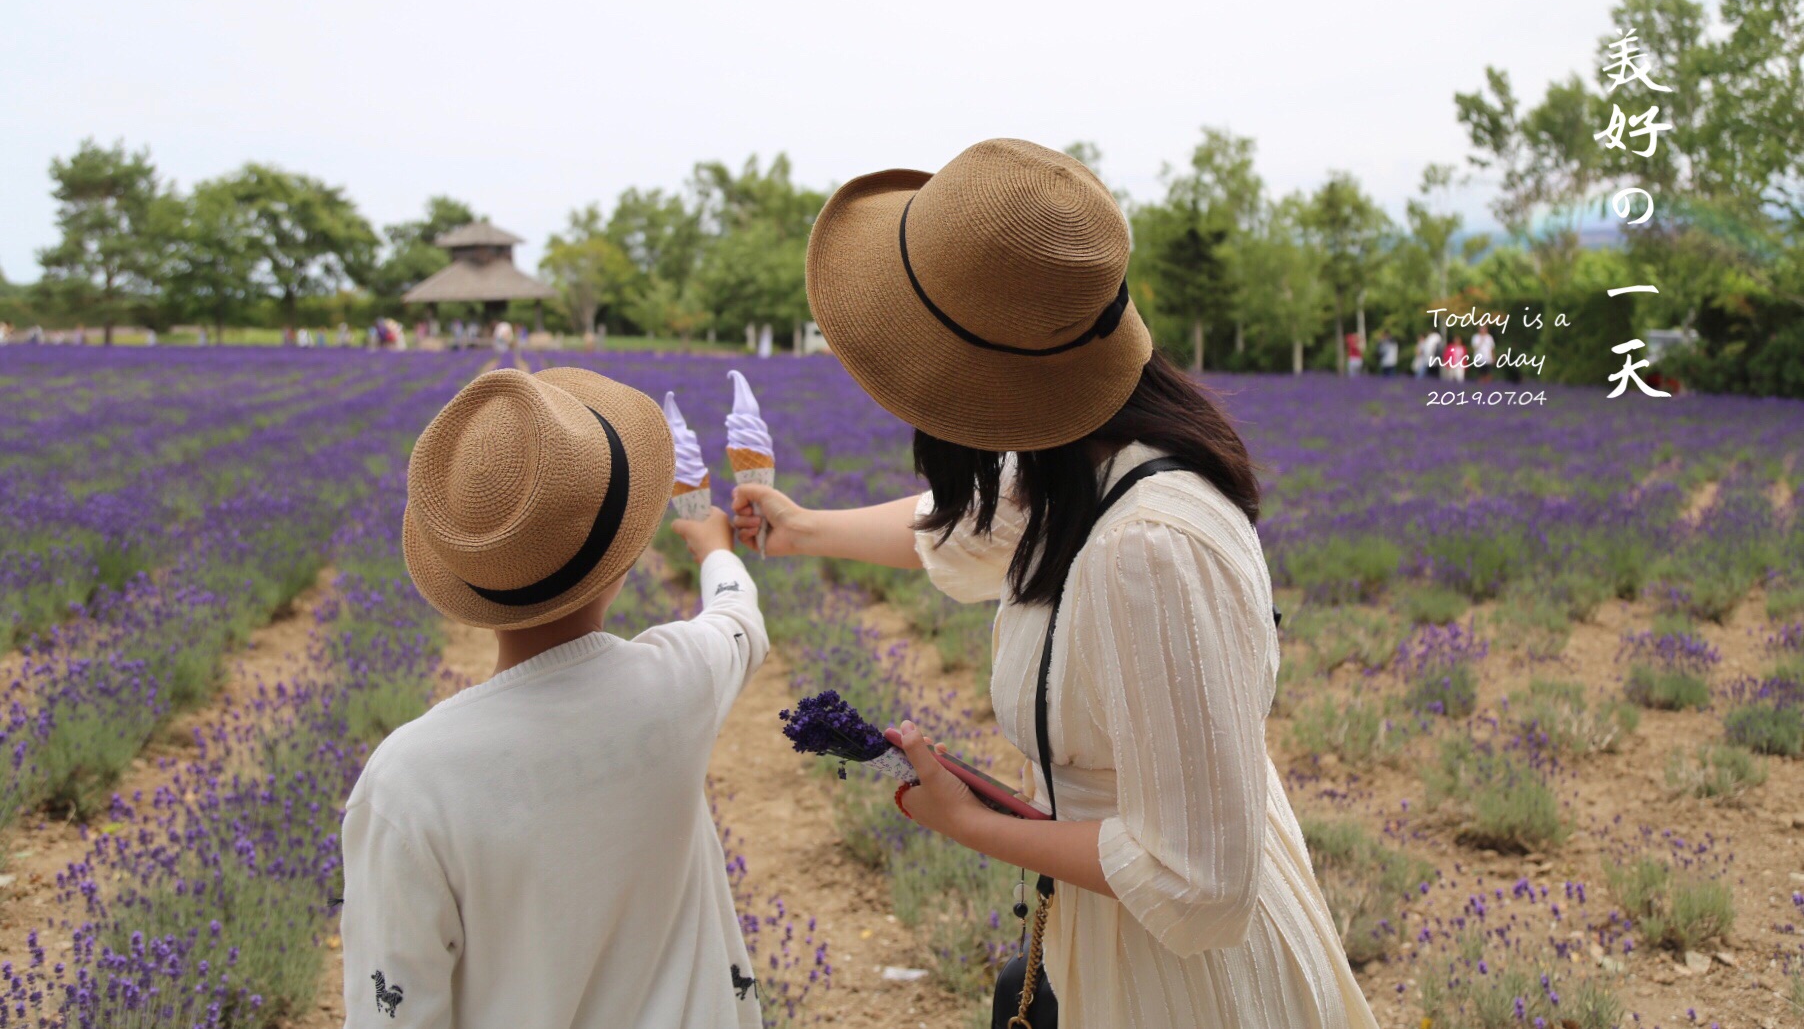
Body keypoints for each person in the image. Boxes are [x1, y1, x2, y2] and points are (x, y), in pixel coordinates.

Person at [735, 139, 1378, 1029]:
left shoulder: (1147, 547)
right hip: (1115, 946)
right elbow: (964, 526)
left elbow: (1200, 883)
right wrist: (798, 529)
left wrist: (973, 824)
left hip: (1189, 987)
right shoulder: (1087, 465)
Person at [340, 367, 767, 1028]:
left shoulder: (410, 780)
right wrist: (715, 551)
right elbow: (738, 622)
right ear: (622, 562)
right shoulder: (679, 682)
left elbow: (393, 1008)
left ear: (471, 584)